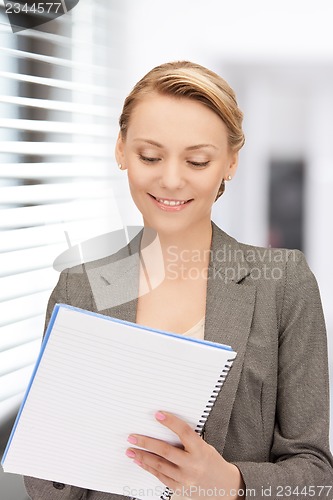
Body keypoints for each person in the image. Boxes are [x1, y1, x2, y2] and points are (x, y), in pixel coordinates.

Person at [24, 61, 333, 500]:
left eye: (197, 160)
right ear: (120, 150)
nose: (171, 179)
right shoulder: (82, 289)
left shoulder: (283, 284)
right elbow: (44, 482)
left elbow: (317, 476)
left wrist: (232, 484)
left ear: (230, 162)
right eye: (150, 156)